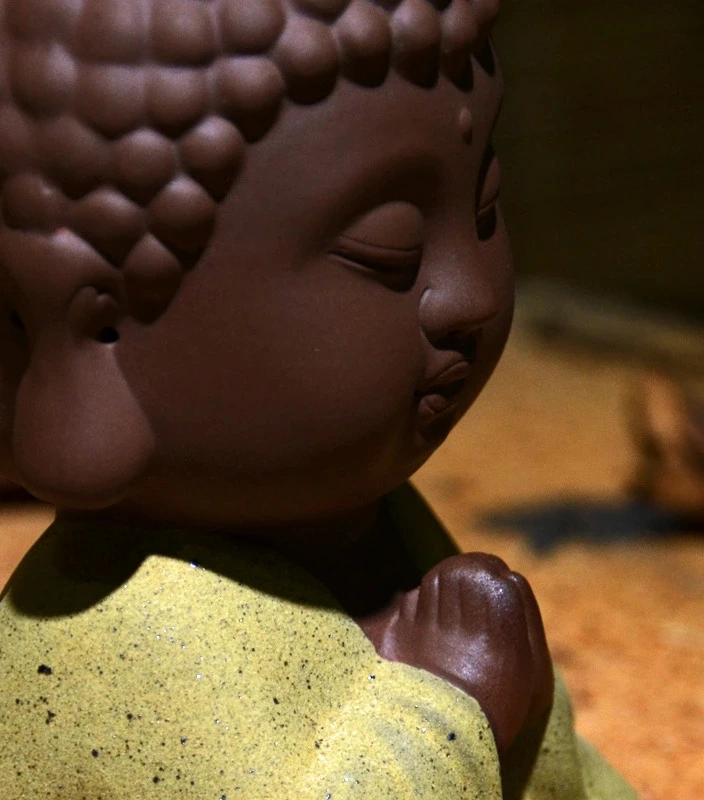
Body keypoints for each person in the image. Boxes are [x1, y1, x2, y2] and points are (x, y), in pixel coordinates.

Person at [0, 0, 636, 796]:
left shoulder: (383, 528)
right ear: (96, 326)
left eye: (484, 209)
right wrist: (449, 705)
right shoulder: (124, 635)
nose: (472, 296)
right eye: (388, 250)